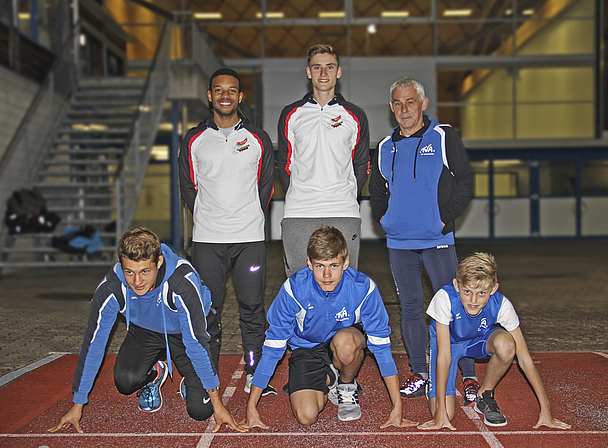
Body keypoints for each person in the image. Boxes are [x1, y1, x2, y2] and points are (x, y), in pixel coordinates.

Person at [49, 227, 244, 433]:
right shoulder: (111, 289)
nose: (137, 281)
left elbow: (196, 343)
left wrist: (218, 405)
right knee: (125, 382)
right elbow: (94, 343)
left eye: (145, 271)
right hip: (147, 330)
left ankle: (190, 377)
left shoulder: (181, 283)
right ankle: (155, 374)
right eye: (129, 272)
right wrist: (77, 404)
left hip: (188, 331)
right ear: (120, 264)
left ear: (158, 263)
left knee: (200, 411)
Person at [240, 226, 417, 429]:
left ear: (346, 262)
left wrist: (397, 407)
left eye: (334, 266)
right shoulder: (294, 289)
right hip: (306, 348)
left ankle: (346, 383)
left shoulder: (363, 288)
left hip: (344, 339)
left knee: (345, 343)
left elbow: (381, 347)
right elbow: (273, 348)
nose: (326, 275)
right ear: (309, 263)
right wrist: (251, 407)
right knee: (306, 416)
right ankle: (328, 376)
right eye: (319, 266)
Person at [369, 77, 477, 401]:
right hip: (400, 243)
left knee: (455, 306)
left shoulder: (443, 137)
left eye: (410, 102)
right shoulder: (384, 147)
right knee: (411, 308)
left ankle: (468, 375)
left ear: (423, 103)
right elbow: (376, 192)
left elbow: (467, 182)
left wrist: (443, 219)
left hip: (437, 240)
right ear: (391, 108)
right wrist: (384, 219)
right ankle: (420, 372)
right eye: (398, 104)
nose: (404, 109)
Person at [178, 68, 276, 395]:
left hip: (249, 240)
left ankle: (254, 371)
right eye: (218, 90)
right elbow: (188, 189)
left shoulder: (258, 138)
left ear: (240, 96)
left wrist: (244, 216)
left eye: (231, 90)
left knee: (251, 308)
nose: (225, 96)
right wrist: (210, 217)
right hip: (207, 241)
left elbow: (266, 188)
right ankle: (206, 379)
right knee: (208, 310)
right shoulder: (193, 139)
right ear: (210, 96)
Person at [419, 252, 571, 430]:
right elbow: (444, 357)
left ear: (493, 289)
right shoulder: (444, 298)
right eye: (467, 292)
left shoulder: (502, 305)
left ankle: (484, 395)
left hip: (478, 340)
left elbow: (524, 359)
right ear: (457, 285)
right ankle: (433, 385)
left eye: (482, 293)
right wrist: (441, 414)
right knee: (447, 414)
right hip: (449, 344)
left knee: (507, 345)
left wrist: (547, 410)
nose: (473, 300)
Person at [278, 44, 370, 278]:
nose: (323, 73)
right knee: (299, 282)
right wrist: (301, 193)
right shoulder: (291, 114)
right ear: (308, 72)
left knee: (345, 282)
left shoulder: (355, 115)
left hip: (343, 211)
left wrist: (347, 194)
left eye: (329, 67)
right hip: (299, 212)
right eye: (317, 67)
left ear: (338, 72)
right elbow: (285, 163)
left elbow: (361, 165)